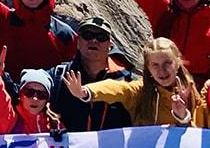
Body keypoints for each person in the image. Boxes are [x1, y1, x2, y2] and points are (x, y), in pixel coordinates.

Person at [63, 38, 199, 128]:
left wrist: (183, 116)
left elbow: (202, 134)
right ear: (148, 68)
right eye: (155, 65)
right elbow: (118, 88)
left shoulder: (190, 92)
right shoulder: (142, 91)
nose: (161, 70)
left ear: (178, 63)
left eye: (167, 63)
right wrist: (86, 92)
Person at [46, 15, 137, 133]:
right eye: (87, 35)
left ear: (110, 45)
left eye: (101, 37)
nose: (94, 41)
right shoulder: (58, 75)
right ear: (78, 42)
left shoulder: (127, 80)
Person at [0, 43, 62, 136]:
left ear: (47, 100)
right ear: (20, 94)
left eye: (42, 95)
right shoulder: (9, 121)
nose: (35, 99)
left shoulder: (56, 124)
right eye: (29, 92)